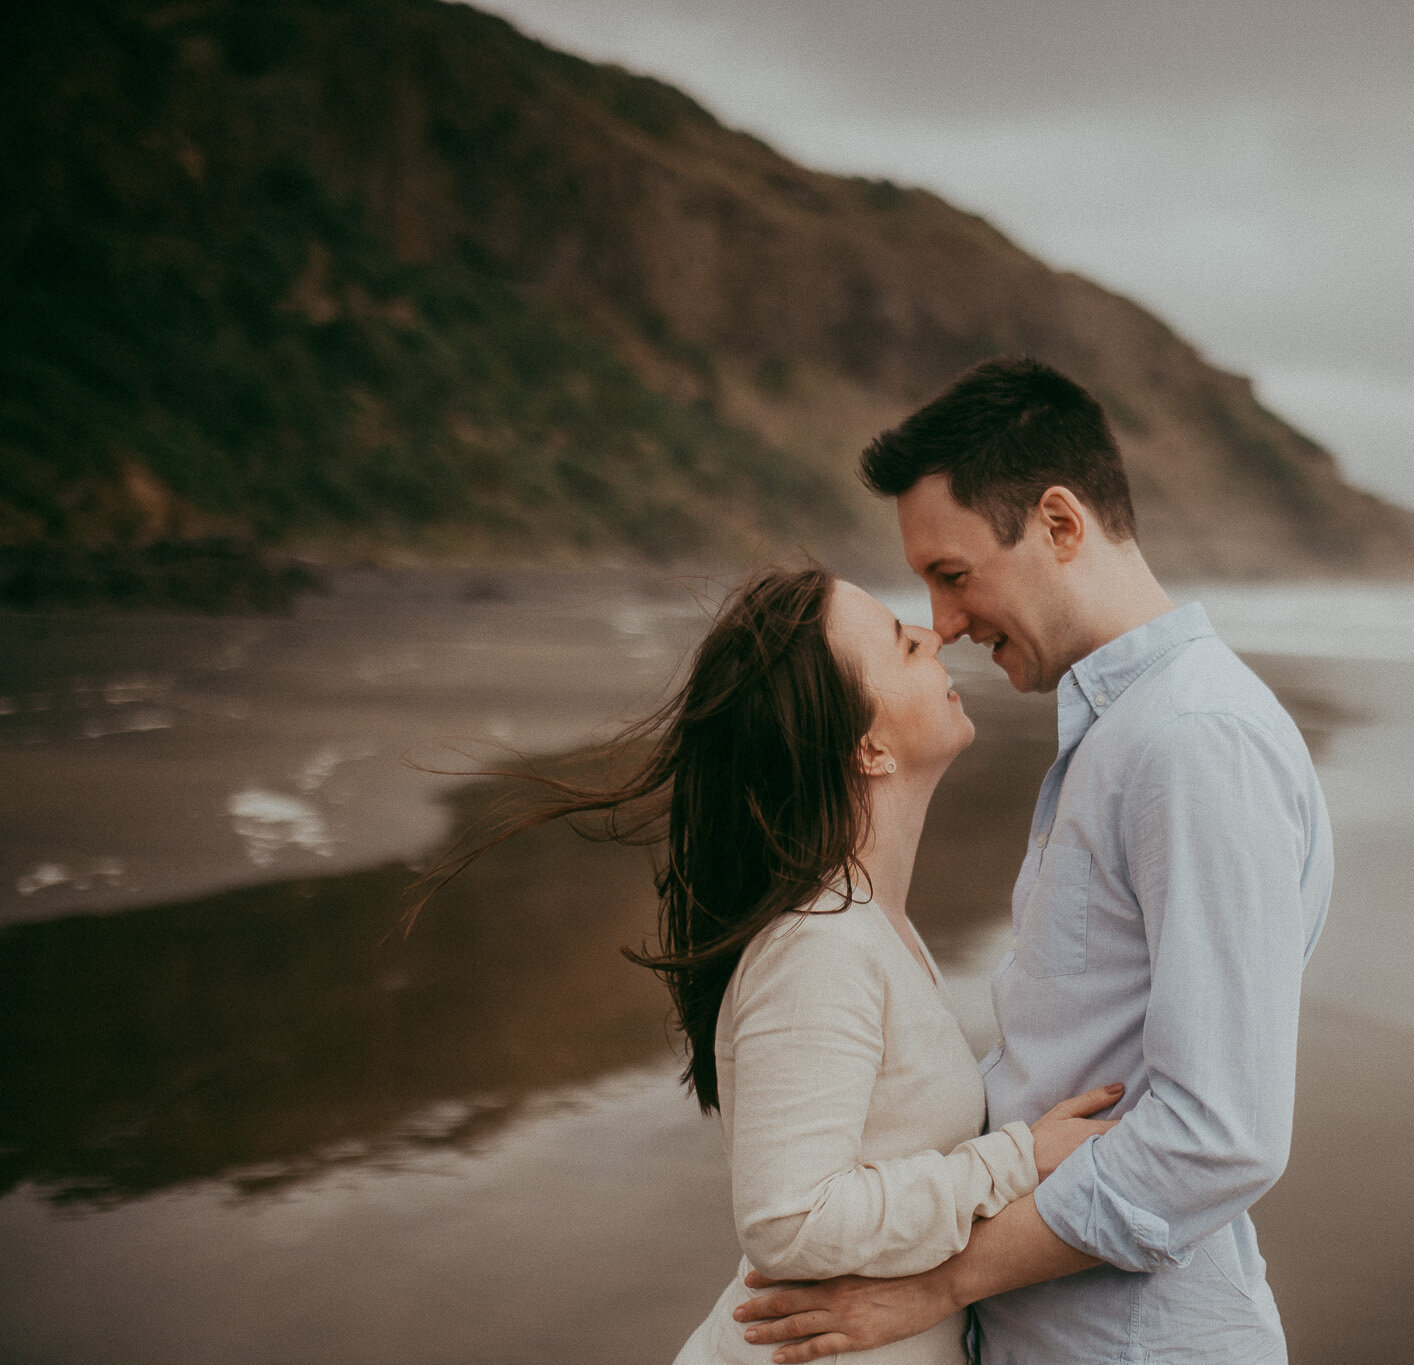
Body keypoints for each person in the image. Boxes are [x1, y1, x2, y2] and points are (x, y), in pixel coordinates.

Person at [733, 358, 1335, 1365]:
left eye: (952, 574)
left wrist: (937, 1282)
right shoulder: (1121, 734)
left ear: (1059, 525)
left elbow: (1217, 1135)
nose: (944, 624)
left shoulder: (1191, 741)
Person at [416, 563, 1123, 1365]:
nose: (932, 635)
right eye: (900, 641)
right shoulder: (819, 945)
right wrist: (1015, 1159)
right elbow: (790, 1219)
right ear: (869, 747)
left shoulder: (871, 927)